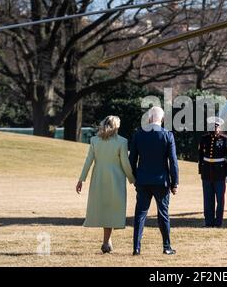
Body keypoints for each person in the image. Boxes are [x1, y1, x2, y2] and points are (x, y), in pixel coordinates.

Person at [76, 115, 135, 254]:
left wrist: (81, 180)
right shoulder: (122, 142)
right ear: (117, 126)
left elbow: (88, 161)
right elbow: (125, 164)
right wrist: (133, 179)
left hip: (99, 178)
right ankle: (106, 241)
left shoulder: (95, 140)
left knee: (105, 208)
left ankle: (107, 241)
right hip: (116, 179)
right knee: (113, 209)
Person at [129, 106, 179, 256]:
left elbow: (132, 160)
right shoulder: (167, 135)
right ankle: (166, 246)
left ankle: (136, 248)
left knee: (140, 214)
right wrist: (174, 182)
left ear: (149, 118)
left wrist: (135, 177)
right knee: (163, 214)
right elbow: (173, 161)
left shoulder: (138, 135)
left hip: (143, 180)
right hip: (161, 181)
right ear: (161, 119)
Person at [198, 117, 227, 228]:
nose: (214, 128)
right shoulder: (204, 139)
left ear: (219, 127)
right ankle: (208, 222)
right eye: (212, 126)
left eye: (216, 126)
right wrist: (201, 170)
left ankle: (218, 222)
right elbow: (200, 155)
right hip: (207, 172)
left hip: (220, 173)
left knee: (220, 199)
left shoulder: (224, 139)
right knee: (208, 199)